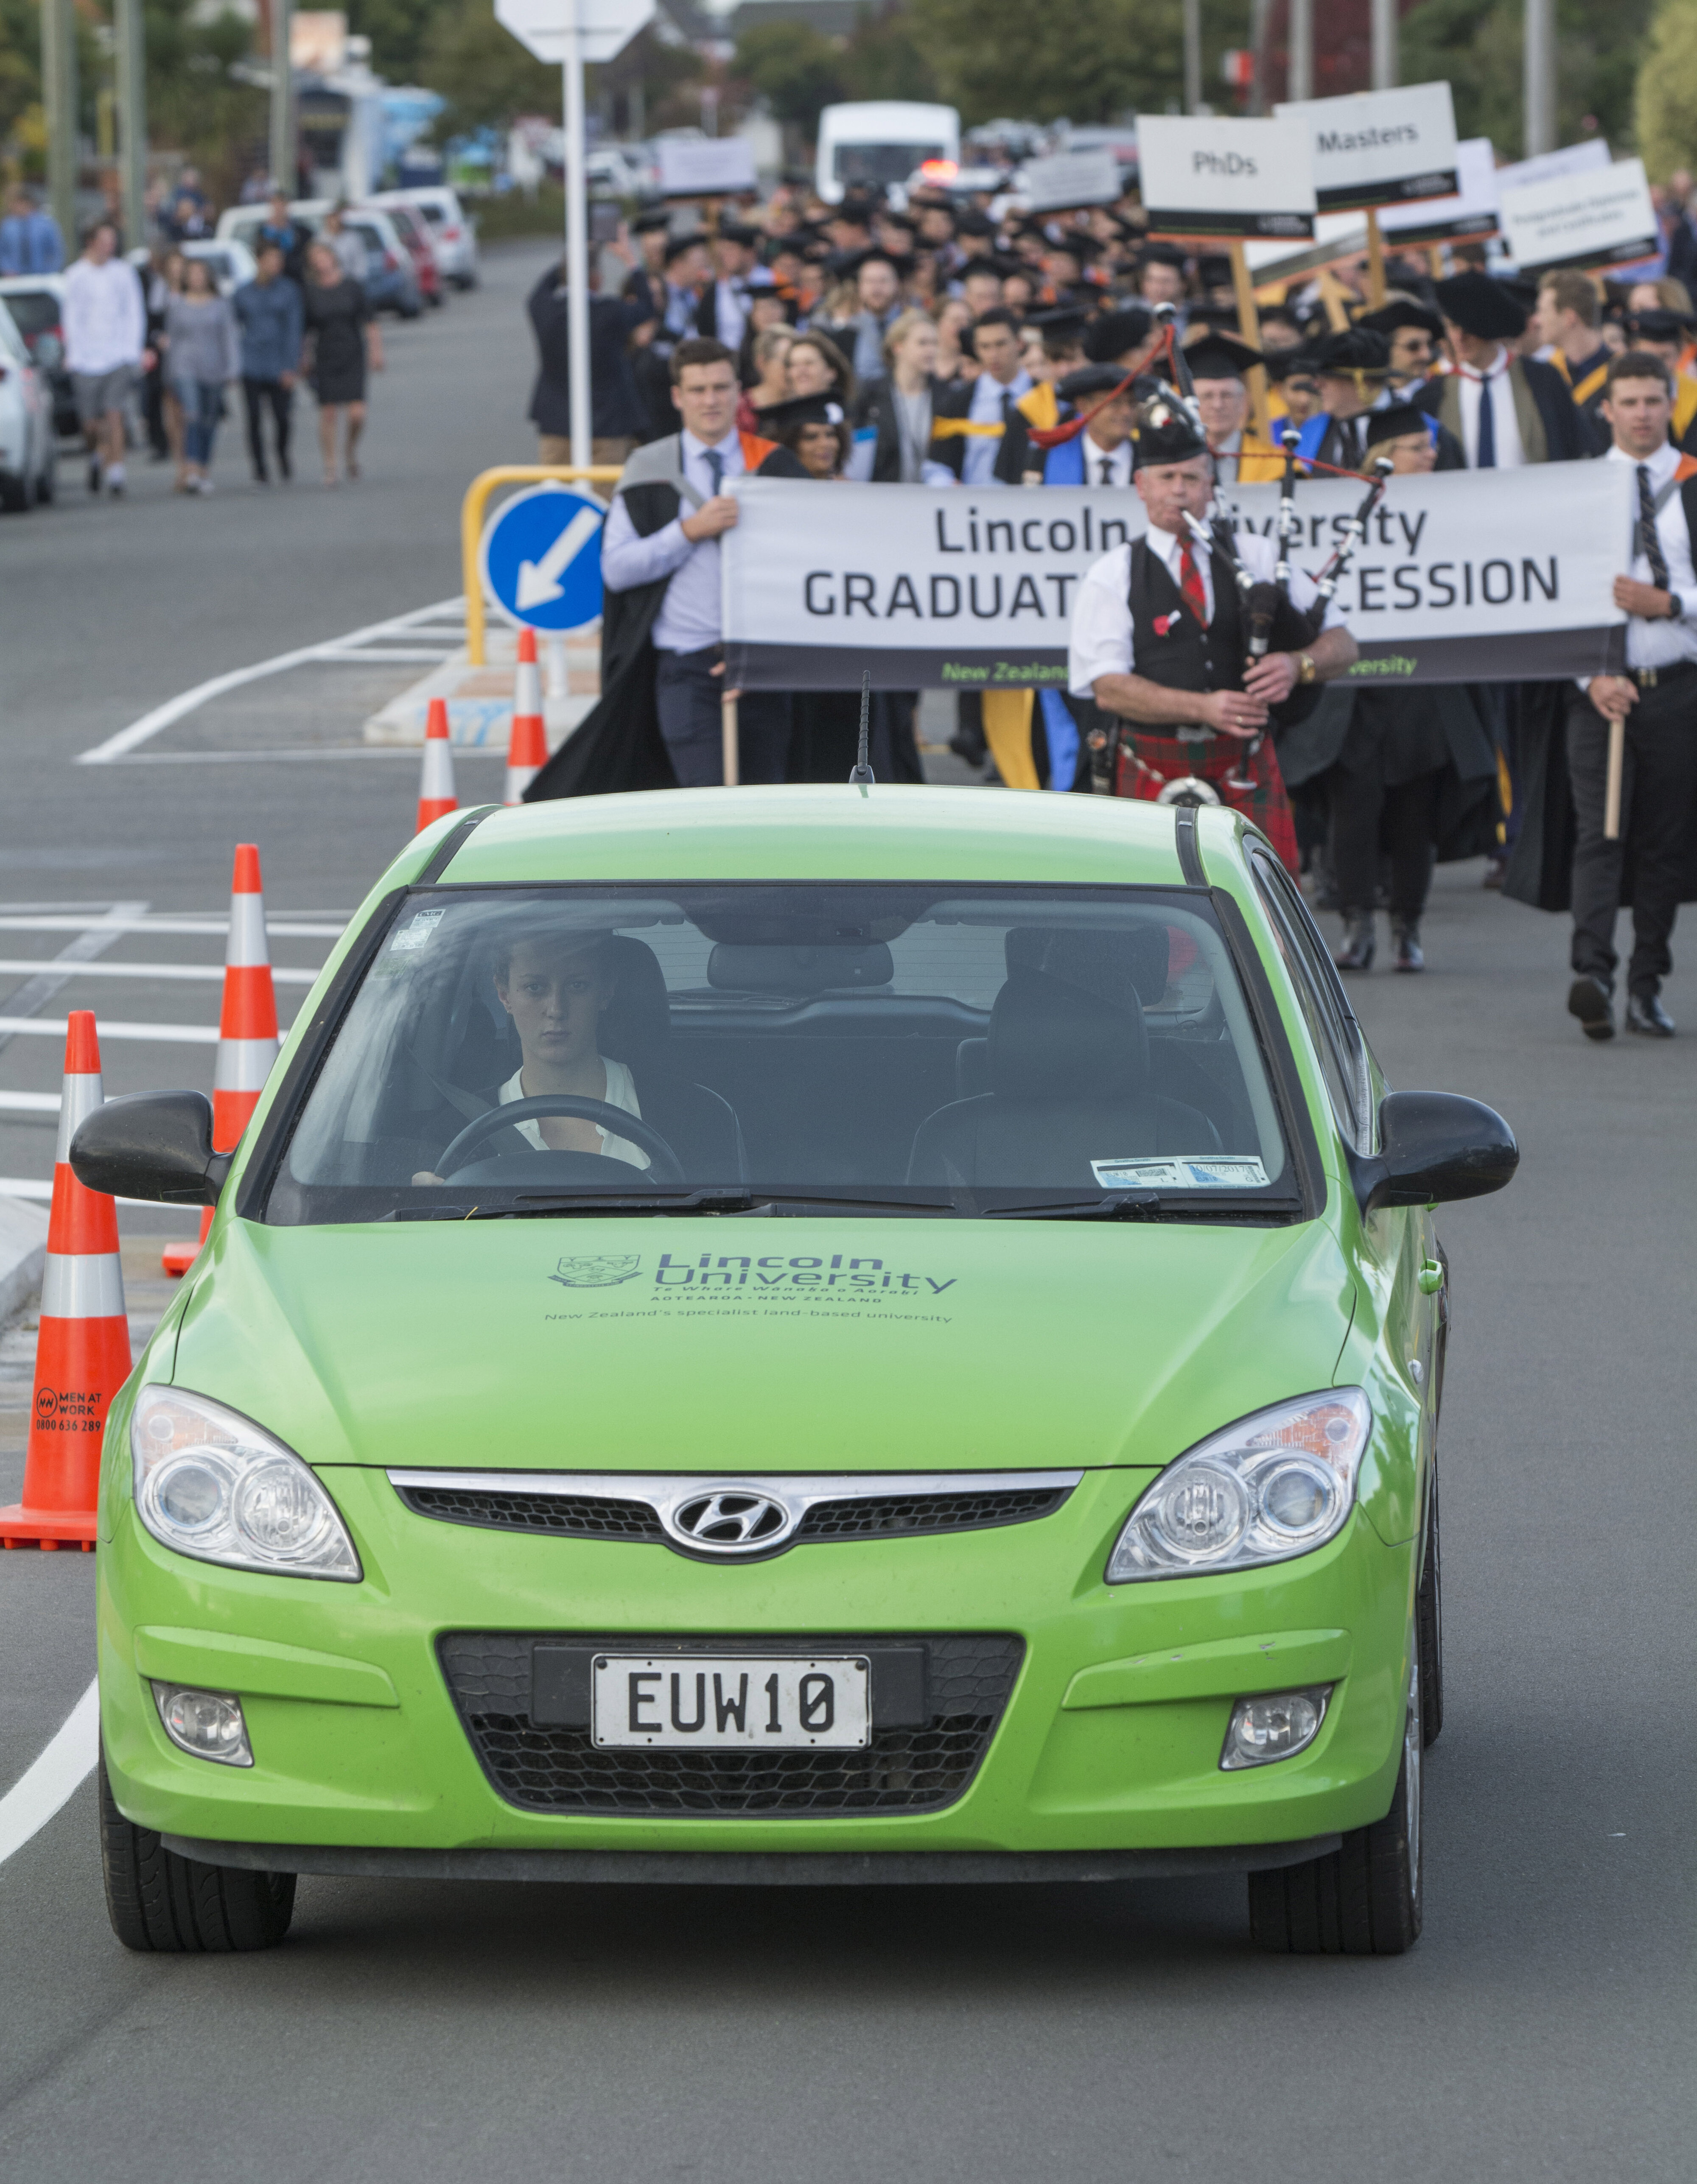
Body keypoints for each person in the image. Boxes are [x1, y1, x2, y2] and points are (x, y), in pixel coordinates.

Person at [1067, 399, 1358, 870]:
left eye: (1191, 479)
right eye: (1166, 478)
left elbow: (1343, 644)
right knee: (1152, 914)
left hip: (1244, 764)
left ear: (1211, 487)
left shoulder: (1257, 556)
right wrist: (1204, 707)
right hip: (1151, 761)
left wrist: (1296, 665)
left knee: (1262, 918)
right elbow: (1108, 688)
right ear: (1141, 486)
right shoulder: (1113, 573)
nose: (1179, 492)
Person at [525, 337, 808, 798]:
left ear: (739, 391)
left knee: (766, 808)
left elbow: (807, 566)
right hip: (685, 667)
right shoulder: (648, 467)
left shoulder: (775, 465)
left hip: (760, 668)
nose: (710, 401)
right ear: (677, 396)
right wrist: (688, 531)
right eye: (697, 390)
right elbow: (616, 568)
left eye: (720, 387)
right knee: (704, 804)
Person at [1509, 353, 1697, 1040]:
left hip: (1677, 686)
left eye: (1654, 399)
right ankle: (1594, 973)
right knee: (1601, 832)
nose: (1643, 412)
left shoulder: (1692, 481)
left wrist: (1670, 601)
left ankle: (1647, 985)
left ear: (1671, 401)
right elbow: (1552, 590)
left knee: (1663, 842)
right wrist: (1592, 675)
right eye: (1630, 401)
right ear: (1607, 409)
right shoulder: (1580, 489)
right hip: (1598, 691)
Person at [1277, 405, 1499, 972]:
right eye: (1418, 447)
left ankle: (1409, 927)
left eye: (1431, 447)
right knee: (1355, 809)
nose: (1432, 454)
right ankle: (1357, 926)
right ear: (1385, 458)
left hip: (1423, 686)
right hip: (1355, 687)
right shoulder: (1340, 510)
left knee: (1414, 813)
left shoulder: (1460, 509)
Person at [526, 246, 653, 468]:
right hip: (608, 424)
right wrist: (630, 260)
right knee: (601, 499)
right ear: (595, 278)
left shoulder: (544, 309)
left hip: (556, 423)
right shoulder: (610, 313)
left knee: (557, 497)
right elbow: (647, 306)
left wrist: (572, 257)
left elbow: (541, 290)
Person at [61, 219, 148, 498]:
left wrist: (132, 350)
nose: (110, 246)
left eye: (112, 240)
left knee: (115, 415)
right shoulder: (76, 275)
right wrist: (74, 353)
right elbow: (72, 317)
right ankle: (97, 455)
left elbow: (134, 312)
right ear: (92, 242)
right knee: (91, 424)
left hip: (117, 356)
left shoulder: (123, 273)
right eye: (105, 240)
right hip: (86, 360)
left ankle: (116, 473)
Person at [302, 238, 382, 486]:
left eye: (323, 256)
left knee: (357, 413)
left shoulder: (351, 287)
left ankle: (350, 451)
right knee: (328, 412)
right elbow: (305, 330)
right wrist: (303, 357)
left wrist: (376, 351)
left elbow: (369, 321)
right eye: (315, 259)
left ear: (333, 257)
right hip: (325, 355)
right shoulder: (311, 292)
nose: (321, 262)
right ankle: (331, 465)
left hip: (352, 352)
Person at [163, 256, 240, 494]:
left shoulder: (221, 305)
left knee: (209, 419)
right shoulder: (177, 306)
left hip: (214, 368)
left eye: (201, 273)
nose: (197, 278)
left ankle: (204, 466)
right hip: (185, 367)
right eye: (192, 273)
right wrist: (170, 373)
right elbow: (172, 341)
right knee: (192, 415)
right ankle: (192, 468)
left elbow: (230, 338)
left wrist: (233, 368)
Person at [932, 306, 1032, 484]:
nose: (993, 355)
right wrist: (949, 485)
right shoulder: (957, 403)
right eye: (984, 347)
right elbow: (937, 468)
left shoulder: (1046, 397)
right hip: (976, 506)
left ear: (1019, 343)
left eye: (1001, 344)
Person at [848, 308, 949, 481]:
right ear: (898, 347)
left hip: (933, 499)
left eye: (935, 343)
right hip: (884, 497)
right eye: (923, 343)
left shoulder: (947, 395)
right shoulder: (870, 396)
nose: (931, 350)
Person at [233, 240, 303, 484]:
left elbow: (295, 330)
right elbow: (232, 326)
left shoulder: (289, 290)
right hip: (251, 362)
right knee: (253, 417)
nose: (278, 264)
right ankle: (260, 467)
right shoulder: (243, 293)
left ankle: (282, 454)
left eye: (280, 259)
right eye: (273, 259)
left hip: (279, 361)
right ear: (260, 261)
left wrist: (291, 366)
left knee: (282, 417)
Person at [1535, 271, 1612, 448]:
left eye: (1543, 311)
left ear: (1569, 318)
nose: (1537, 321)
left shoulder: (1623, 374)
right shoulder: (1547, 374)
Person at [694, 221, 760, 349]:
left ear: (749, 252)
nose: (724, 256)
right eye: (723, 250)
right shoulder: (715, 290)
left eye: (731, 249)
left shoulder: (776, 281)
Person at [0, 185, 64, 275]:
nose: (11, 207)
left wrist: (50, 271)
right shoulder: (7, 226)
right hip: (14, 280)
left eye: (15, 203)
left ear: (26, 202)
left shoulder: (46, 225)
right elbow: (3, 252)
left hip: (41, 279)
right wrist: (7, 269)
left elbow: (56, 251)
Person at [255, 191, 308, 286]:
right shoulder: (262, 232)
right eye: (276, 204)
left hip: (297, 280)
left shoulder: (301, 232)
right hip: (270, 282)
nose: (279, 209)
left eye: (282, 205)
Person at [319, 204, 367, 282]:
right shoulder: (320, 240)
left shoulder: (353, 238)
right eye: (332, 217)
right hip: (326, 284)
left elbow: (361, 264)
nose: (335, 221)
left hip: (349, 283)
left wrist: (357, 283)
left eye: (337, 217)